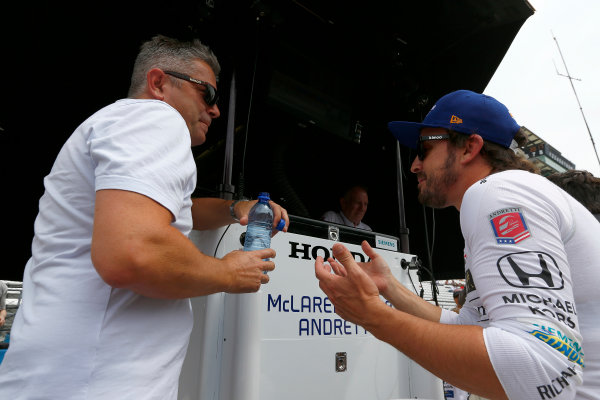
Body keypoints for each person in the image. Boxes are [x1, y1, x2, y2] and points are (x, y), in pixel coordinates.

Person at [0, 35, 289, 400]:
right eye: (207, 94)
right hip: (98, 380)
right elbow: (133, 252)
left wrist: (235, 208)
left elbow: (177, 214)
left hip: (71, 374)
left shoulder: (118, 124)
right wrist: (230, 273)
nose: (215, 110)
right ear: (159, 83)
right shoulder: (155, 118)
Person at [315, 90, 600, 399]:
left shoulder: (498, 193)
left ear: (469, 148)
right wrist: (390, 288)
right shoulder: (506, 195)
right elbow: (470, 323)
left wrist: (370, 314)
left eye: (424, 149)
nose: (414, 165)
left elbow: (541, 369)